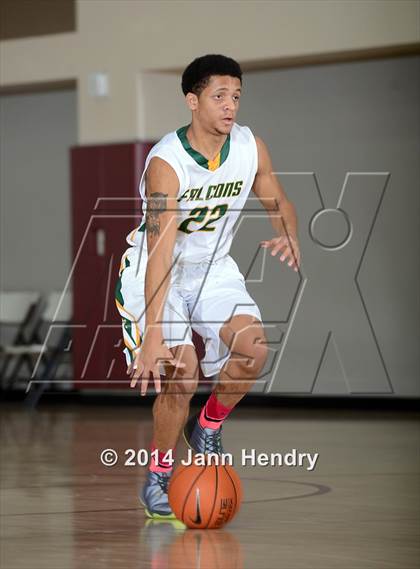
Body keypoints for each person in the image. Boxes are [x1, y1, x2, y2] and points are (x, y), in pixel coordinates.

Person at [115, 54, 301, 519]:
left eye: (236, 96)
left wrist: (288, 232)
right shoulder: (167, 162)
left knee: (254, 349)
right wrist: (153, 333)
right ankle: (159, 474)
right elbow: (160, 251)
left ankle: (208, 426)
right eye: (219, 96)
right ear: (192, 101)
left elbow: (277, 196)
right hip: (158, 272)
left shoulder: (249, 146)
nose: (230, 105)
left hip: (212, 267)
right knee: (183, 371)